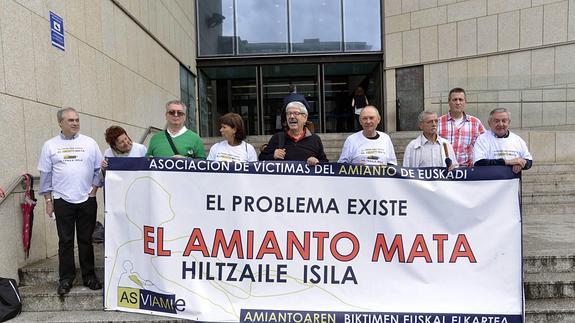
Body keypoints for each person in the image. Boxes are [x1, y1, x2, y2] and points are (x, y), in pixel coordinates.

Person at [37, 107, 103, 295]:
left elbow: (100, 168)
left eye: (77, 119)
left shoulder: (89, 143)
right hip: (61, 199)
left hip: (86, 199)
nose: (75, 123)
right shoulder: (50, 145)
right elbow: (45, 175)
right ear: (60, 123)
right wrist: (48, 200)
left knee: (86, 240)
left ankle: (89, 277)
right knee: (65, 241)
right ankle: (66, 279)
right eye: (71, 120)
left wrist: (94, 189)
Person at [259, 101, 327, 166]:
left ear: (305, 118)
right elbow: (261, 159)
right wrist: (273, 156)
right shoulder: (277, 138)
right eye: (288, 113)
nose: (291, 116)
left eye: (296, 113)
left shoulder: (315, 139)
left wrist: (316, 161)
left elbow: (325, 162)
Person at [473, 108, 533, 174]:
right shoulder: (482, 139)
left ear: (509, 122)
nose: (501, 124)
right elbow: (478, 163)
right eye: (496, 121)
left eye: (504, 121)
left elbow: (529, 161)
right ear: (489, 123)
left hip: (512, 183)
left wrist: (520, 164)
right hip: (489, 182)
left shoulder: (517, 140)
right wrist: (508, 162)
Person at [437, 87, 485, 167]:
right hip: (444, 170)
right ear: (449, 102)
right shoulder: (438, 122)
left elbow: (484, 145)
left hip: (468, 171)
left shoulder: (475, 123)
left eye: (460, 99)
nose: (458, 102)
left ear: (465, 102)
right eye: (454, 100)